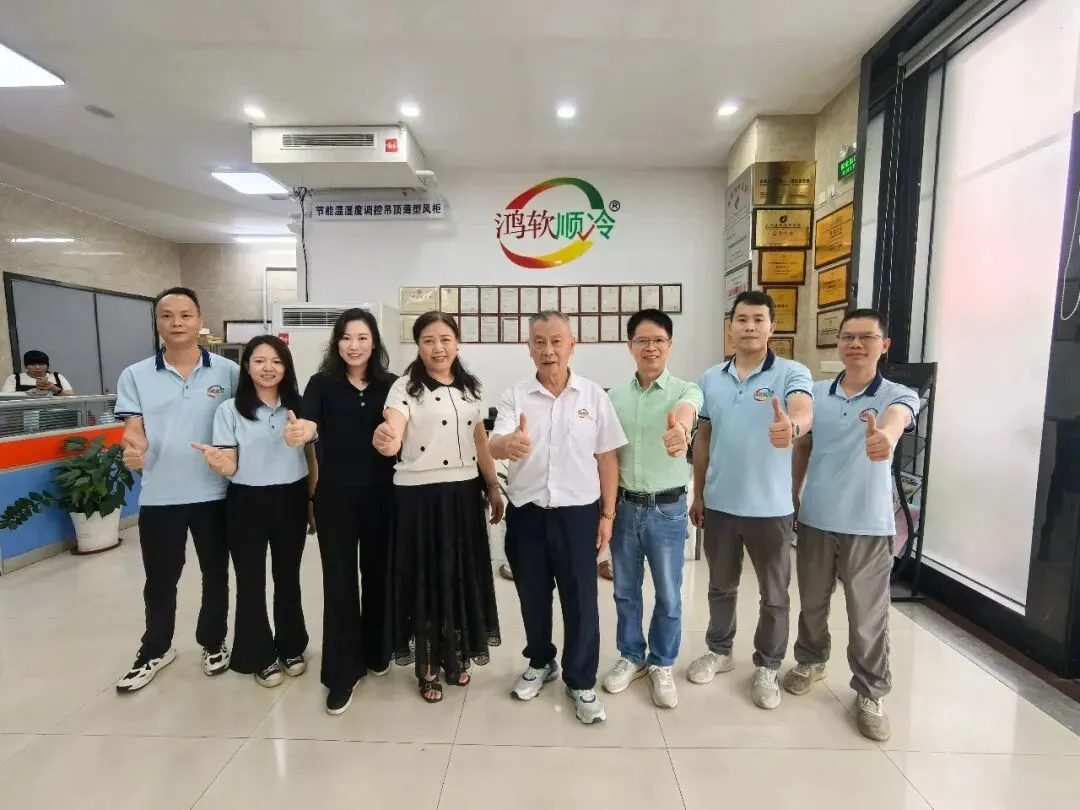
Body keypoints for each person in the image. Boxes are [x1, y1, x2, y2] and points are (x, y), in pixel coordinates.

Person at [786, 308, 919, 741]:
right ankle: (811, 660)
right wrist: (794, 491)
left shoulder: (897, 394)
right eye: (848, 337)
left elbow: (899, 417)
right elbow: (804, 446)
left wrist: (887, 437)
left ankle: (870, 691)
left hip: (868, 523)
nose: (856, 344)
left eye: (866, 337)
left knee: (866, 614)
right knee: (812, 602)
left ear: (885, 345)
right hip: (816, 517)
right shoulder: (816, 394)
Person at [489, 310, 627, 725]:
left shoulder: (593, 396)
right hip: (527, 514)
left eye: (556, 341)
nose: (548, 350)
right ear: (529, 348)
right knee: (532, 595)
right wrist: (508, 445)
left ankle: (581, 680)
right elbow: (495, 443)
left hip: (578, 515)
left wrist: (607, 515)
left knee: (581, 600)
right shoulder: (516, 395)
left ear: (571, 346)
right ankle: (540, 661)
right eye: (539, 342)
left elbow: (607, 458)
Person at [687, 290, 814, 710]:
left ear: (771, 327)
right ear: (731, 327)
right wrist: (699, 492)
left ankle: (768, 665)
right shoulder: (711, 378)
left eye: (759, 319)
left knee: (774, 595)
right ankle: (719, 650)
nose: (750, 327)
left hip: (771, 508)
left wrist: (792, 428)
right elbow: (704, 437)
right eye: (742, 319)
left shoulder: (791, 372)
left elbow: (803, 409)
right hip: (720, 504)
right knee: (720, 586)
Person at [373, 311, 503, 704]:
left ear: (457, 343)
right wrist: (388, 440)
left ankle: (454, 655)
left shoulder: (471, 388)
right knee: (426, 580)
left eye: (445, 339)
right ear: (418, 346)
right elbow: (393, 430)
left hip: (463, 494)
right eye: (428, 340)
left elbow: (480, 442)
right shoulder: (404, 388)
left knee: (459, 577)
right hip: (420, 497)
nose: (438, 347)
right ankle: (427, 665)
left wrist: (493, 486)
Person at [113, 287, 239, 693]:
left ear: (199, 321)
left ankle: (213, 641)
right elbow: (133, 428)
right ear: (157, 323)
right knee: (161, 578)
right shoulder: (135, 375)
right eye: (167, 316)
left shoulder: (228, 372)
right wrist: (133, 448)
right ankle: (155, 649)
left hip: (215, 494)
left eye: (185, 315)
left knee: (215, 573)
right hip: (160, 495)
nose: (177, 323)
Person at [290, 308, 397, 715]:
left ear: (374, 343)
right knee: (339, 583)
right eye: (347, 338)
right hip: (335, 498)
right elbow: (310, 423)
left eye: (362, 338)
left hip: (383, 496)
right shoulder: (322, 383)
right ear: (337, 343)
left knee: (378, 576)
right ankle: (341, 674)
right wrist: (304, 430)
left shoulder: (391, 384)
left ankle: (376, 649)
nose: (354, 346)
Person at [193, 335, 313, 689]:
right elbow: (231, 464)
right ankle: (258, 654)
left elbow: (312, 456)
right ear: (247, 367)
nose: (268, 368)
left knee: (288, 576)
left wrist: (312, 501)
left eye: (276, 361)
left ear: (286, 367)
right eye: (259, 361)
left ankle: (291, 646)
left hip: (291, 498)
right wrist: (219, 462)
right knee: (250, 580)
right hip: (246, 501)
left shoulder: (299, 407)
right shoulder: (229, 410)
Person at [603, 309, 702, 709]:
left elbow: (687, 413)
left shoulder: (685, 390)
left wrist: (681, 430)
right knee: (625, 592)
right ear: (630, 346)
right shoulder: (613, 397)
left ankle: (662, 662)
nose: (650, 348)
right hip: (625, 506)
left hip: (667, 509)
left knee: (668, 594)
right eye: (642, 341)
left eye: (658, 340)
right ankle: (631, 656)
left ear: (669, 345)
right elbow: (605, 456)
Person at [1, 350, 74, 395]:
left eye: (41, 364)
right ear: (26, 366)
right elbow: (6, 397)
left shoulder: (56, 376)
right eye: (32, 365)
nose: (37, 367)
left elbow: (71, 395)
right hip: (24, 413)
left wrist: (54, 388)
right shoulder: (15, 378)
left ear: (47, 366)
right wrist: (30, 392)